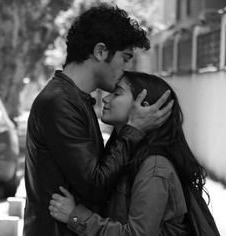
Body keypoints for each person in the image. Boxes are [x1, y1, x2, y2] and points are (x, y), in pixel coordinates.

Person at [23, 4, 173, 236]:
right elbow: (95, 186)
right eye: (125, 58)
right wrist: (133, 129)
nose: (127, 68)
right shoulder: (59, 102)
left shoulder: (74, 99)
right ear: (101, 52)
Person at [49, 71, 209, 236]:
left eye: (117, 93)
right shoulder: (124, 153)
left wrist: (75, 216)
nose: (105, 98)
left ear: (144, 108)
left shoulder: (154, 166)